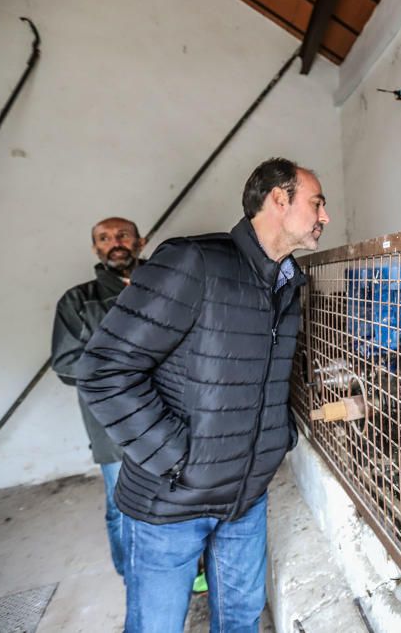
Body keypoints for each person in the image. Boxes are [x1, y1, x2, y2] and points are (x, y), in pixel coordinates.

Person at [77, 158, 330, 632]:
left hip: (246, 497)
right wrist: (177, 458)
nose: (324, 216)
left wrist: (278, 438)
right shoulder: (194, 262)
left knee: (241, 620)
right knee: (157, 625)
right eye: (317, 203)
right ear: (279, 199)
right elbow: (103, 370)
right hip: (171, 502)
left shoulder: (288, 283)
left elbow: (265, 378)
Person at [52, 217, 146, 578]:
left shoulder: (169, 286)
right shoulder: (78, 301)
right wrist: (130, 366)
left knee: (182, 498)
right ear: (95, 248)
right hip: (112, 424)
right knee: (121, 502)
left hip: (175, 414)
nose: (115, 242)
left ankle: (184, 569)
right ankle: (132, 574)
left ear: (140, 240)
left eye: (122, 235)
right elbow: (65, 364)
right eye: (104, 238)